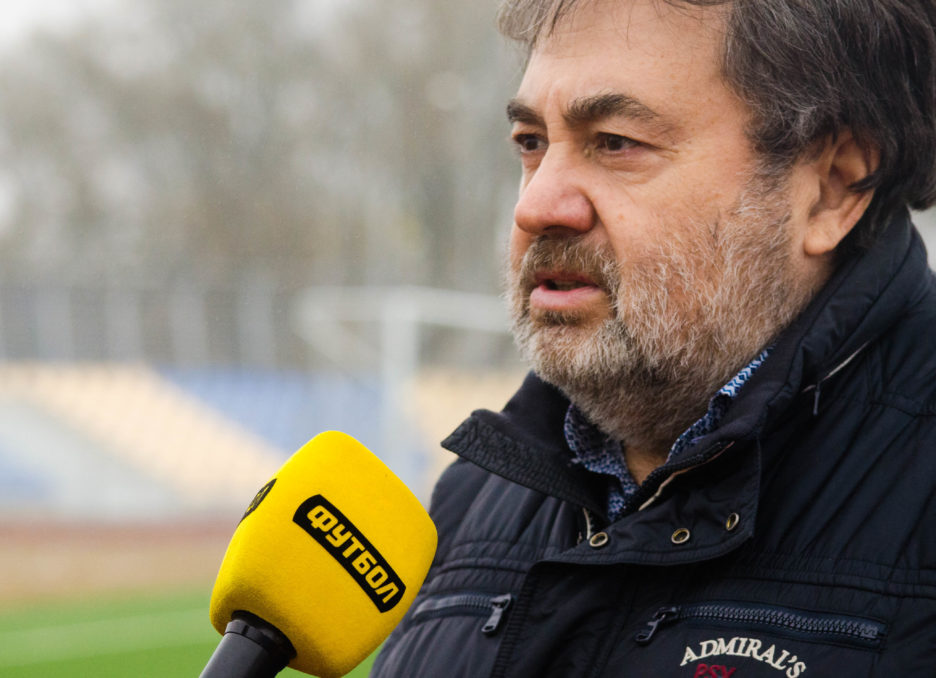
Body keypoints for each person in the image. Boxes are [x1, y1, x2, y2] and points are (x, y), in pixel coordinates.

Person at [370, 0, 936, 675]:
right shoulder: (472, 501)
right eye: (531, 143)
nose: (535, 206)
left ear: (829, 189)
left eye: (616, 142)